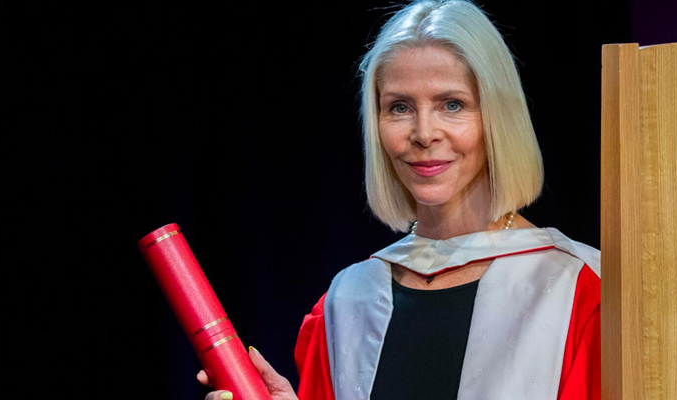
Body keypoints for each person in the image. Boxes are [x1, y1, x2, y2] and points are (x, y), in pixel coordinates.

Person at [199, 0, 600, 399]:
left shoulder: (578, 290)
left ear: (498, 117)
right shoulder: (348, 302)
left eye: (452, 104)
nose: (424, 133)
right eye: (400, 107)